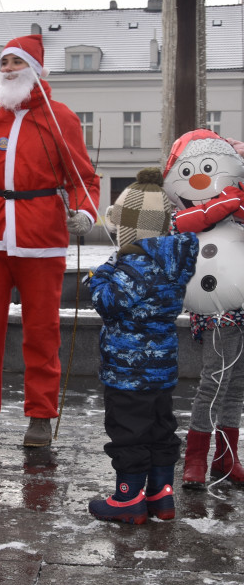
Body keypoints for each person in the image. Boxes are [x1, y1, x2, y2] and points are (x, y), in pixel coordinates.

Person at [0, 34, 100, 447]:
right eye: (4, 63)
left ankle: (41, 416)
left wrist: (84, 211)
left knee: (41, 330)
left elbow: (83, 178)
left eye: (16, 62)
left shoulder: (60, 118)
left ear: (34, 70)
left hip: (41, 235)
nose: (8, 69)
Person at [88, 168, 198, 524]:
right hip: (161, 371)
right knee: (160, 428)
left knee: (128, 433)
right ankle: (160, 495)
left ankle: (127, 498)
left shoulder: (133, 266)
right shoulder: (171, 263)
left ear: (130, 227)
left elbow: (107, 303)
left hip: (128, 374)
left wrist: (100, 274)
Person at [163, 129, 244, 489]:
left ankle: (226, 458)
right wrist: (229, 199)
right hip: (217, 306)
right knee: (214, 381)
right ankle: (195, 459)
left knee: (238, 383)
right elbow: (185, 225)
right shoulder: (188, 207)